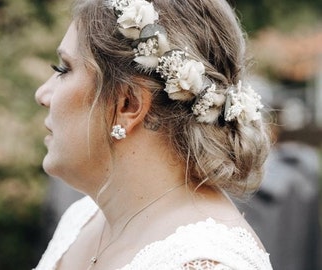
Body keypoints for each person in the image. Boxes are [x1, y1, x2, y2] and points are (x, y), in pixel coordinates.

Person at [33, 0, 272, 269]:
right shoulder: (83, 219)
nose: (42, 94)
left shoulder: (202, 263)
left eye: (63, 70)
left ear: (128, 105)